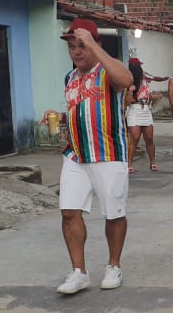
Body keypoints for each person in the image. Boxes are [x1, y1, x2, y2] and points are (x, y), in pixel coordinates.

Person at [55, 18, 134, 295]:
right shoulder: (70, 78)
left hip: (108, 153)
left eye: (82, 45)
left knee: (114, 213)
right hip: (76, 154)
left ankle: (114, 266)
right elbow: (81, 107)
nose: (77, 52)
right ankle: (79, 272)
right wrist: (61, 117)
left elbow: (126, 80)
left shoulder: (107, 70)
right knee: (69, 212)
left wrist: (95, 46)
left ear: (96, 44)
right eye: (72, 46)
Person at [125, 58, 161, 173]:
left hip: (146, 109)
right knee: (134, 138)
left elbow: (147, 95)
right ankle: (129, 165)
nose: (142, 69)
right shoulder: (128, 82)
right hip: (134, 110)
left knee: (149, 138)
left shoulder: (144, 80)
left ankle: (153, 163)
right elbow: (127, 102)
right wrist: (130, 91)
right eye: (139, 67)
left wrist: (154, 97)